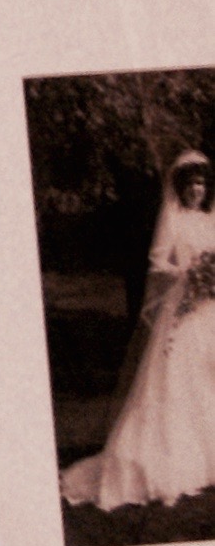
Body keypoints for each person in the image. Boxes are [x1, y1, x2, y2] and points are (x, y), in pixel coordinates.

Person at [62, 149, 215, 514]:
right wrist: (187, 275)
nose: (197, 190)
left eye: (202, 183)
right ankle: (168, 464)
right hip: (181, 312)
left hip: (209, 310)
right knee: (179, 384)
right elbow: (158, 261)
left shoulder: (210, 221)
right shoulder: (174, 222)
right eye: (191, 183)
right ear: (181, 187)